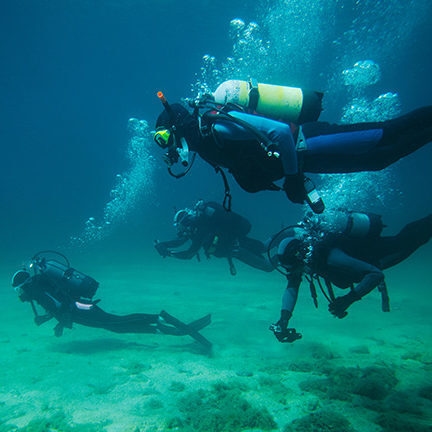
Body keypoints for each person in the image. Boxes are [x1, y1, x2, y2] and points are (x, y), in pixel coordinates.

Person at [153, 96, 432, 214]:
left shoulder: (215, 128)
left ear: (175, 126)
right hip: (308, 157)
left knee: (386, 133)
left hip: (309, 142)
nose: (169, 147)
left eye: (164, 138)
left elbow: (281, 134)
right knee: (378, 160)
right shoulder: (206, 145)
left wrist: (293, 178)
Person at [268, 211, 432, 343]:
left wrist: (348, 299)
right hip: (365, 261)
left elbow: (375, 274)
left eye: (296, 268)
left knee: (409, 240)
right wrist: (283, 320)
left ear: (300, 257)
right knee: (408, 237)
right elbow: (292, 287)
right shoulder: (307, 258)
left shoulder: (329, 256)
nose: (297, 272)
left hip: (379, 256)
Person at [12, 251, 212, 348]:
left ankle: (160, 320)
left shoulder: (37, 290)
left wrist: (54, 321)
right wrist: (58, 323)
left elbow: (58, 305)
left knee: (117, 323)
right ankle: (160, 324)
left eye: (19, 291)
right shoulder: (39, 285)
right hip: (81, 308)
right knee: (116, 324)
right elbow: (58, 303)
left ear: (24, 285)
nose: (21, 296)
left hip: (80, 310)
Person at [154, 200, 274, 275]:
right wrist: (164, 245)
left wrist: (169, 254)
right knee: (264, 247)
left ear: (186, 223)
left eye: (181, 228)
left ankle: (288, 240)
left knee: (268, 266)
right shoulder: (198, 228)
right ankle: (288, 235)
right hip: (236, 245)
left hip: (237, 248)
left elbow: (189, 254)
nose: (182, 232)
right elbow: (179, 241)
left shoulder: (200, 229)